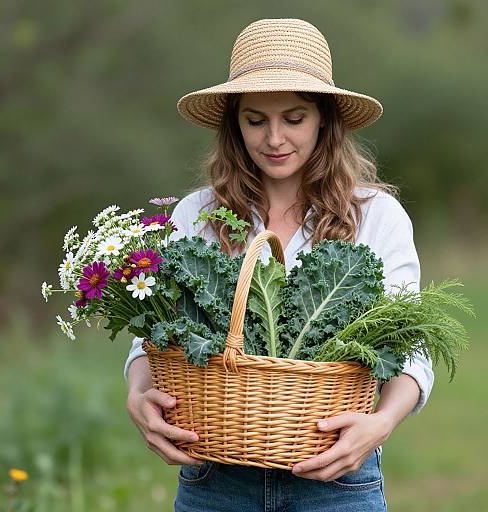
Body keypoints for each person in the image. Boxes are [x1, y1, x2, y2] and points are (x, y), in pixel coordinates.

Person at [125, 18, 434, 511]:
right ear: (235, 123)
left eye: (294, 118)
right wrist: (139, 395)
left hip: (335, 478)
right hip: (214, 477)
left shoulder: (375, 214)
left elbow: (411, 346)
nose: (274, 138)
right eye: (255, 120)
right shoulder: (195, 215)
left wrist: (379, 424)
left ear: (323, 120)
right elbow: (156, 337)